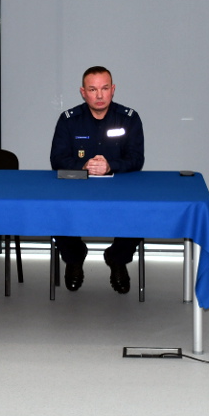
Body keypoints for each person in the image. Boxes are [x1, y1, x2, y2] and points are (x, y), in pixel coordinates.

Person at [50, 66, 145, 294]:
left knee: (139, 211)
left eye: (105, 88)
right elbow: (57, 159)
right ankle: (74, 257)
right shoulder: (69, 120)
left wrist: (110, 165)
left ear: (113, 89)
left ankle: (117, 259)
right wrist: (83, 166)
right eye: (93, 89)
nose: (99, 95)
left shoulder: (129, 118)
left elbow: (136, 159)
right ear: (83, 92)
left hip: (118, 185)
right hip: (78, 185)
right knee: (55, 209)